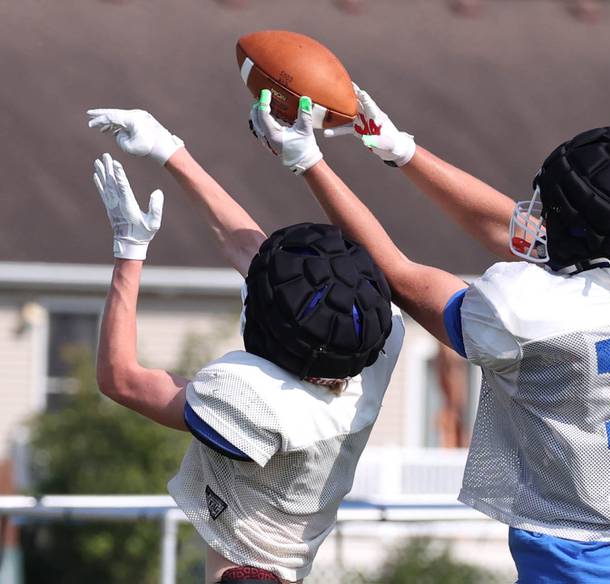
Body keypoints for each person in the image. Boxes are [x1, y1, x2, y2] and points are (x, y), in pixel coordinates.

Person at [249, 86, 610, 584]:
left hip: (581, 565)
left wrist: (307, 161)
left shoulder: (524, 312)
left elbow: (399, 276)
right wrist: (398, 148)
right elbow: (515, 230)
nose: (539, 215)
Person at [87, 104, 404, 583]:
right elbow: (256, 255)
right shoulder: (369, 342)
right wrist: (168, 149)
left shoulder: (255, 404)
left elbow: (121, 379)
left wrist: (129, 250)